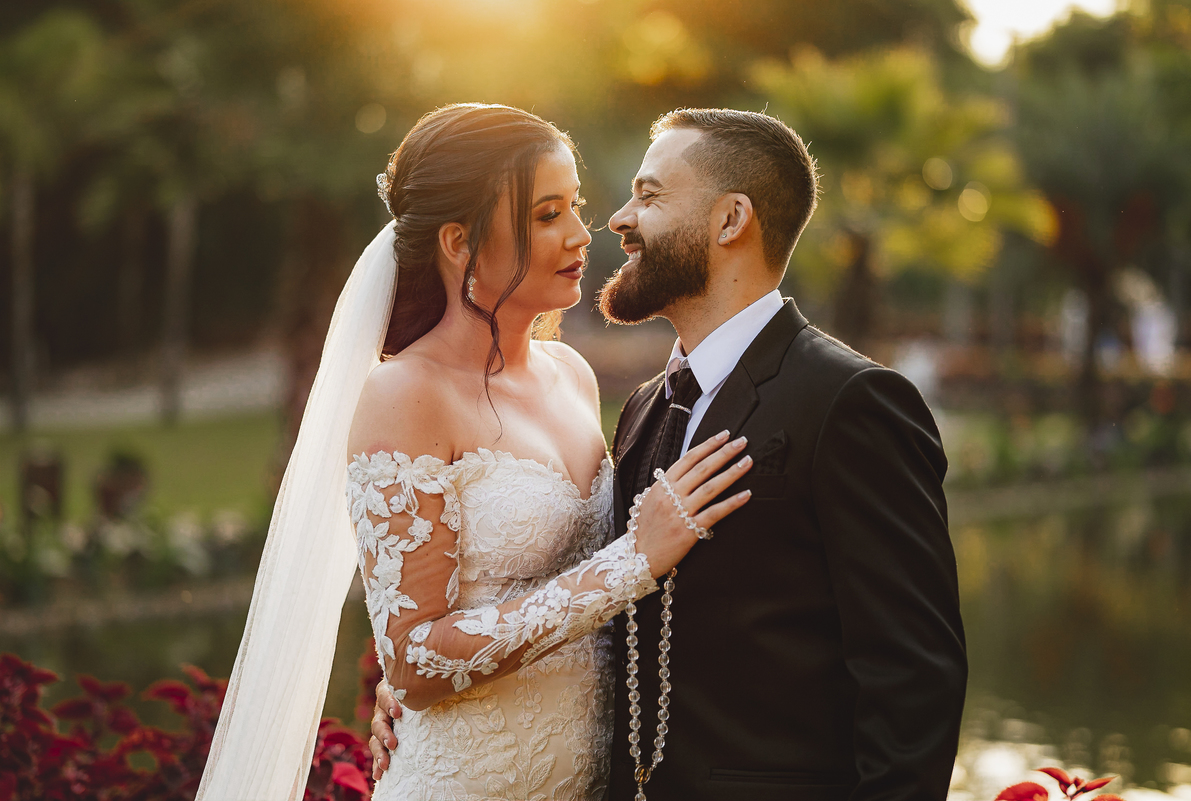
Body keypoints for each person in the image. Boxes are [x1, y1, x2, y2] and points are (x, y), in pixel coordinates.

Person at [371, 108, 969, 801]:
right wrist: (417, 676)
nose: (616, 221)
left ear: (729, 220)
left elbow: (914, 682)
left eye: (649, 197)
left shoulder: (852, 404)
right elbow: (603, 602)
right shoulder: (645, 407)